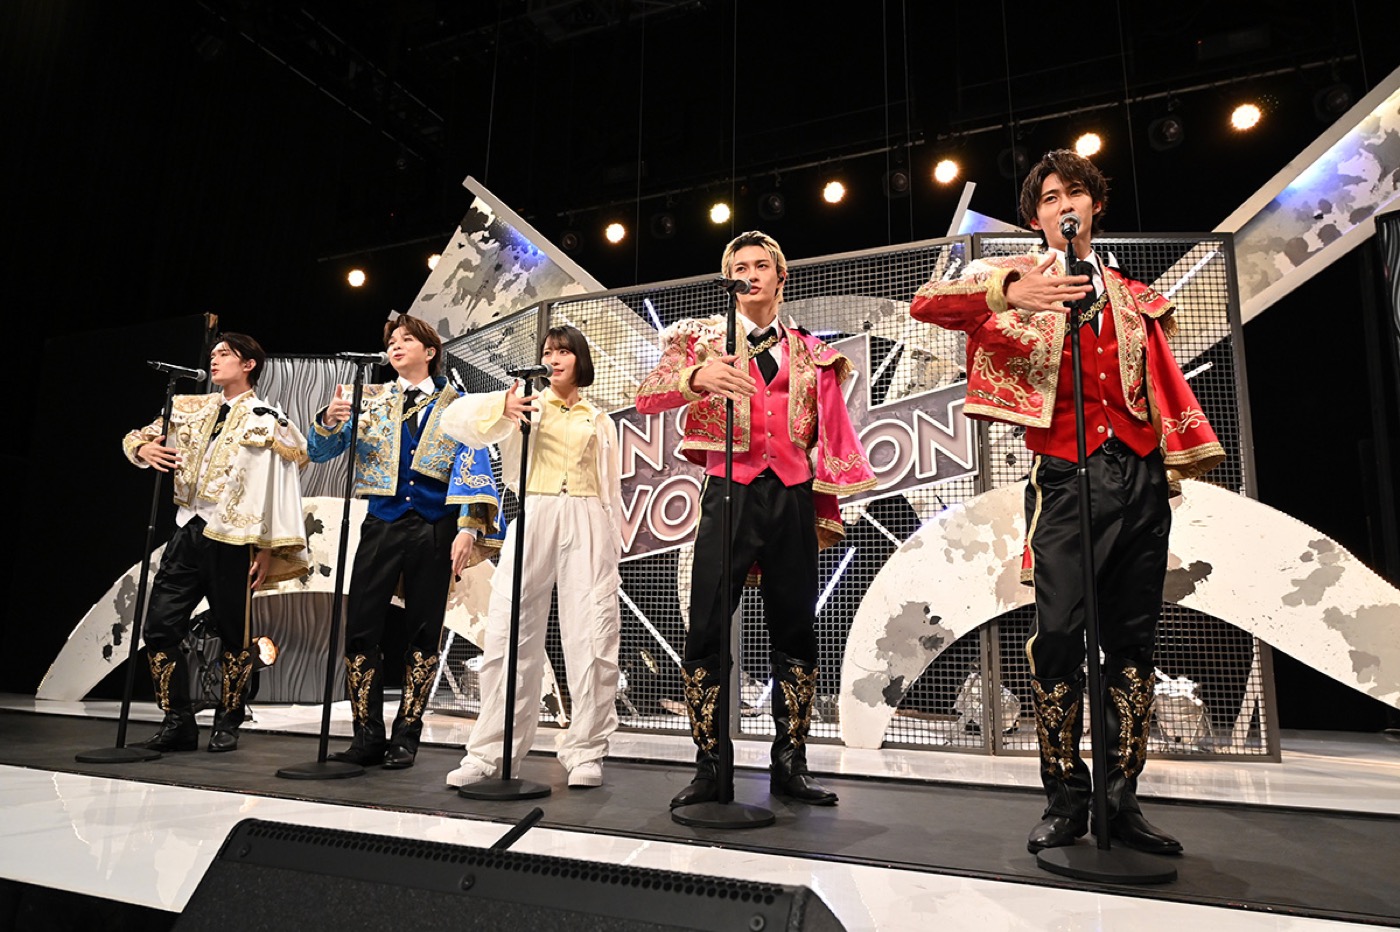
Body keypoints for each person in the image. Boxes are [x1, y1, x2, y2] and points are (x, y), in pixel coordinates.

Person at [909, 150, 1224, 855]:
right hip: (1065, 475)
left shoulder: (1133, 294)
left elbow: (1161, 385)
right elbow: (927, 304)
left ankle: (1122, 797)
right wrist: (1006, 293)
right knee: (1057, 638)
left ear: (1095, 205)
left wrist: (1167, 455)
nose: (1063, 206)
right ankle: (1065, 797)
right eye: (1050, 198)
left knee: (1133, 645)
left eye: (1074, 193)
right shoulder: (1014, 278)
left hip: (1139, 475)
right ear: (1036, 217)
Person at [636, 230, 875, 808]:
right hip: (729, 491)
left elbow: (833, 429)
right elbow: (646, 395)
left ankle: (791, 765)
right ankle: (709, 765)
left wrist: (833, 488)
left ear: (780, 277)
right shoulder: (700, 341)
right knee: (706, 627)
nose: (749, 274)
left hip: (791, 494)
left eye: (760, 265)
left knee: (795, 629)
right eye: (739, 266)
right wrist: (696, 378)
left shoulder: (813, 351)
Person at [308, 314, 502, 769]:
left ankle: (406, 737)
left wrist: (468, 528)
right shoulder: (370, 399)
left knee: (424, 632)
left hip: (435, 526)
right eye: (391, 340)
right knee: (361, 628)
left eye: (406, 339)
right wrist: (329, 421)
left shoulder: (458, 404)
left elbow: (472, 464)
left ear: (430, 352)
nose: (395, 346)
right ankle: (366, 734)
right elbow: (320, 452)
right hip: (382, 522)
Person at [440, 325, 623, 790]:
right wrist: (499, 407)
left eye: (563, 351)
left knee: (593, 633)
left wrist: (611, 541)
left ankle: (586, 750)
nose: (554, 359)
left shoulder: (599, 419)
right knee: (509, 632)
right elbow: (454, 422)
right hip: (535, 511)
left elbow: (611, 488)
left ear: (580, 359)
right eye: (548, 352)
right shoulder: (523, 405)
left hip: (587, 518)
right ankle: (491, 753)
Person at [122, 333, 310, 753]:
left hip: (234, 537)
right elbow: (138, 436)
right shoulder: (190, 406)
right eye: (213, 354)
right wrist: (144, 450)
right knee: (159, 627)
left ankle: (229, 720)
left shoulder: (267, 418)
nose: (215, 359)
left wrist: (265, 547)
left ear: (249, 364)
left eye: (225, 353)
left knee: (233, 634)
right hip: (187, 531)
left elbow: (277, 486)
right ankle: (178, 721)